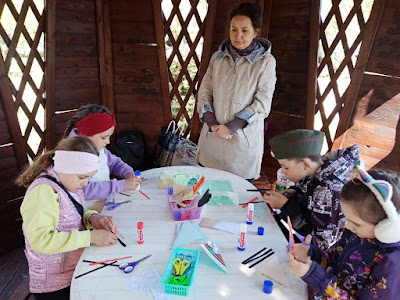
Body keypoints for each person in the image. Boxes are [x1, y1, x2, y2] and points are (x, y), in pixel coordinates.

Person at [16, 136, 118, 299]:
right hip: (52, 285)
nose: (86, 183)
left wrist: (92, 218)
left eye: (89, 177)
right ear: (65, 168)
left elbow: (73, 212)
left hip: (71, 270)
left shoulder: (69, 183)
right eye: (83, 177)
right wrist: (90, 236)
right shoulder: (43, 193)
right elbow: (40, 240)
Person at [288, 166, 400, 299]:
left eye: (356, 223)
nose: (347, 226)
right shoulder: (357, 234)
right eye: (346, 218)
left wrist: (314, 276)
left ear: (385, 226)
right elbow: (334, 261)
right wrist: (313, 254)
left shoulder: (392, 265)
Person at [196, 2, 276, 181]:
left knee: (237, 203)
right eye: (234, 29)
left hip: (242, 146)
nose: (238, 36)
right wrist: (213, 123)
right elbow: (204, 92)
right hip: (212, 141)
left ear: (255, 31)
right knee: (204, 199)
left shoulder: (265, 62)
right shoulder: (218, 58)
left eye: (244, 30)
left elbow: (262, 103)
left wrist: (231, 127)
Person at [264, 129, 359, 251]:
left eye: (285, 167)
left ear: (306, 165)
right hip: (298, 232)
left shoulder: (329, 190)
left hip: (311, 252)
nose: (282, 171)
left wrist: (286, 206)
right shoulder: (313, 172)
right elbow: (307, 193)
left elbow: (320, 243)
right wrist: (293, 193)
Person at [64, 104, 141, 201]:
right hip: (86, 211)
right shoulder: (73, 156)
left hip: (103, 204)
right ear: (86, 134)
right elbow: (84, 190)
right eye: (104, 137)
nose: (108, 142)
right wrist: (121, 185)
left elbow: (114, 163)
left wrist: (128, 172)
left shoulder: (99, 149)